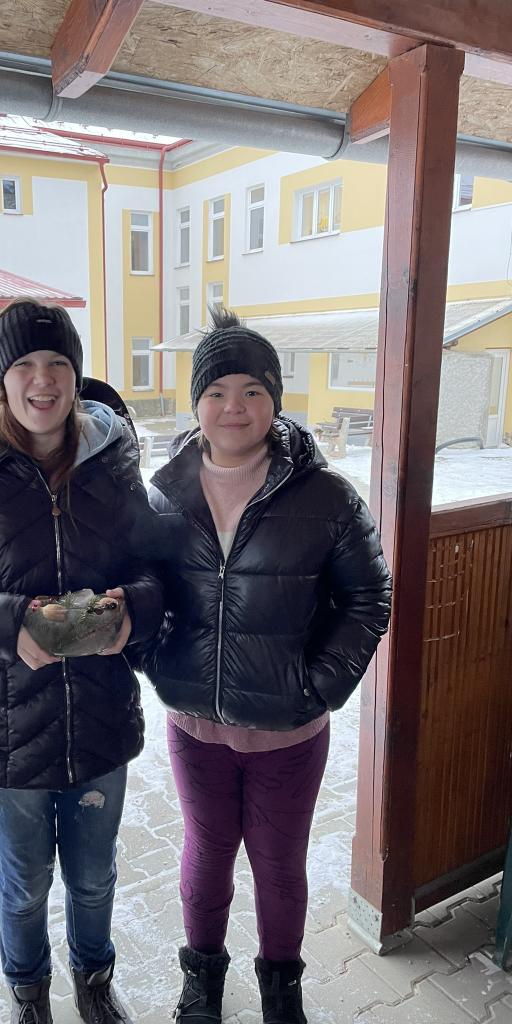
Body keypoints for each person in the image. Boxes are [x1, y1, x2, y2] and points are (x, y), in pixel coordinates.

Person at [0, 299, 163, 1024]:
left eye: (58, 364)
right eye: (24, 366)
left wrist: (133, 608)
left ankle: (95, 982)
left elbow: (154, 568)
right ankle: (28, 992)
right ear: (1, 380)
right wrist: (6, 623)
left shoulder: (114, 470)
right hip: (2, 724)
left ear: (76, 376)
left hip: (99, 714)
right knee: (24, 882)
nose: (43, 380)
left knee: (95, 877)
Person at [143, 309, 391, 1024]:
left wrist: (322, 684)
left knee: (279, 865)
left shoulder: (327, 496)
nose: (234, 407)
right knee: (206, 853)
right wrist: (155, 658)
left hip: (289, 731)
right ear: (197, 402)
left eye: (253, 390)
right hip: (196, 725)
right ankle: (203, 982)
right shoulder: (162, 493)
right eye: (217, 391)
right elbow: (139, 587)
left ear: (275, 400)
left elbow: (368, 596)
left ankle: (283, 991)